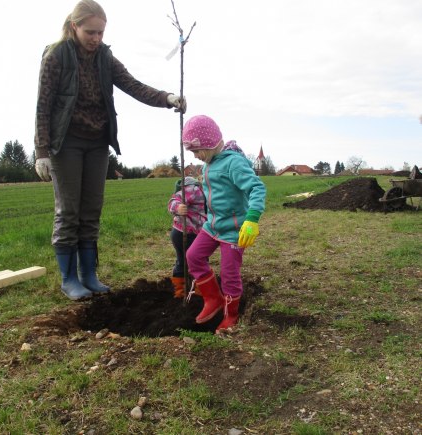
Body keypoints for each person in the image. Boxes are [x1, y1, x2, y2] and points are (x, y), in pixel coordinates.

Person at [34, 0, 186, 301]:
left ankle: (89, 275)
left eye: (101, 33)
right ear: (74, 26)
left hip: (97, 143)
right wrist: (41, 150)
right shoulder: (56, 56)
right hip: (65, 143)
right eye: (90, 32)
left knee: (91, 211)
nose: (96, 39)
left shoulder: (104, 57)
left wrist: (167, 97)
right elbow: (43, 106)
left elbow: (132, 85)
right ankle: (69, 279)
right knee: (69, 212)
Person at [182, 115, 266, 333]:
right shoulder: (208, 164)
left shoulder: (233, 163)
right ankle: (213, 298)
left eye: (197, 151)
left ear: (210, 143)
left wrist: (252, 219)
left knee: (229, 274)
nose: (196, 156)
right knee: (193, 256)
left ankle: (231, 314)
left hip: (234, 231)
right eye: (192, 152)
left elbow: (257, 188)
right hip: (212, 226)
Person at [167, 176, 207, 298]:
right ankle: (194, 291)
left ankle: (188, 291)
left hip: (189, 232)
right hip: (185, 232)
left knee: (184, 261)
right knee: (197, 261)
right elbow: (174, 200)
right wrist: (178, 207)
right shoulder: (194, 189)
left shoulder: (206, 191)